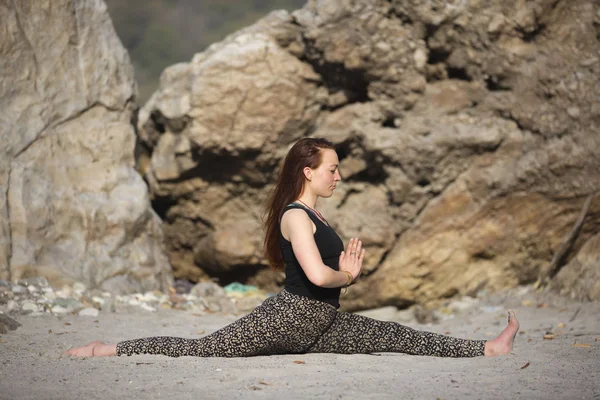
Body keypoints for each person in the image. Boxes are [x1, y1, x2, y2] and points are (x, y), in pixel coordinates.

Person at [66, 137, 519, 358]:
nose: (338, 177)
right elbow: (320, 277)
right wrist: (348, 275)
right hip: (288, 318)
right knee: (200, 350)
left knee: (395, 336)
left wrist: (343, 273)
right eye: (332, 169)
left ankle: (487, 349)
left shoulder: (318, 216)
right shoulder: (295, 217)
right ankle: (108, 349)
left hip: (318, 322)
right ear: (308, 171)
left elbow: (327, 277)